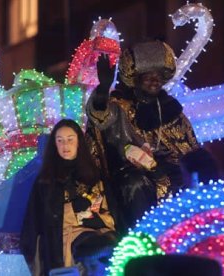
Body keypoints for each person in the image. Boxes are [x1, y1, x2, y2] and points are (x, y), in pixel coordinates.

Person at [85, 40, 199, 233]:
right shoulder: (119, 105)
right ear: (136, 78)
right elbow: (100, 116)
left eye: (159, 76)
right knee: (135, 183)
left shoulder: (172, 110)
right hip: (132, 177)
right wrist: (103, 89)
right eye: (148, 76)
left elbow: (191, 152)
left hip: (170, 178)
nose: (154, 80)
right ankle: (141, 241)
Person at [20, 119, 118, 275]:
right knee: (94, 250)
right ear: (55, 145)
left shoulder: (95, 174)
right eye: (60, 141)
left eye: (70, 139)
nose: (65, 145)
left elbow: (110, 207)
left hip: (102, 228)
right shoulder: (46, 180)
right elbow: (35, 218)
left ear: (79, 141)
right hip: (69, 235)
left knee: (112, 247)